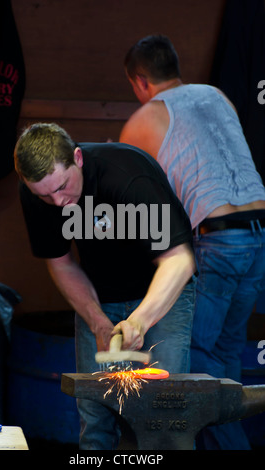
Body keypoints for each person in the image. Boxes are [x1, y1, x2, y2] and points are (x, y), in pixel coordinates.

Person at [119, 34, 265, 450]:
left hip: (219, 239)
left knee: (196, 359)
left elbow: (127, 195)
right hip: (260, 236)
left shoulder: (144, 118)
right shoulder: (219, 97)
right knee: (228, 355)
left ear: (140, 81)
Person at [14, 122, 196, 450]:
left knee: (163, 414)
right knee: (95, 412)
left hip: (161, 292)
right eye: (44, 194)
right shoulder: (35, 194)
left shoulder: (126, 175)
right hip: (99, 294)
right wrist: (95, 318)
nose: (57, 202)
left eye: (63, 186)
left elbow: (178, 261)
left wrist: (140, 320)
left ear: (78, 158)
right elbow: (61, 262)